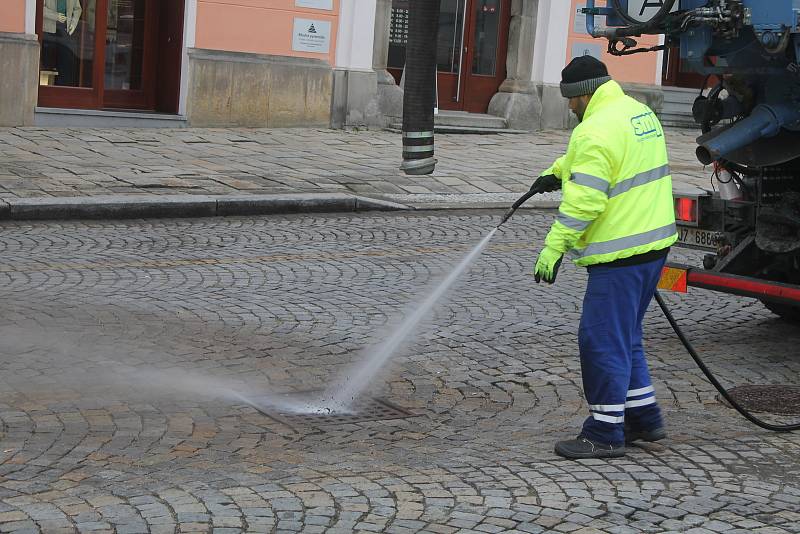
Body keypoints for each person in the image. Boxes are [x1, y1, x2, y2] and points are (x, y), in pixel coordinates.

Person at [531, 55, 678, 459]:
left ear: (582, 94)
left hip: (621, 252)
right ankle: (643, 418)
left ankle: (604, 431)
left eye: (571, 100)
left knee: (599, 340)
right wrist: (558, 171)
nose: (570, 107)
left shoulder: (593, 130)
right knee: (625, 337)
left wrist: (554, 247)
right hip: (653, 245)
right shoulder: (636, 111)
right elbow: (612, 159)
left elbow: (585, 202)